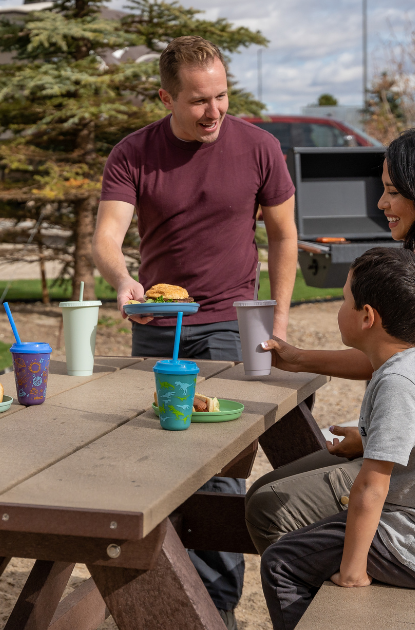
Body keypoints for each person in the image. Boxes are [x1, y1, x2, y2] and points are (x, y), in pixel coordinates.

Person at [92, 35, 298, 628]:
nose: (215, 112)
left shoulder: (259, 147)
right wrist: (123, 278)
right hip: (158, 329)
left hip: (232, 327)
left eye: (222, 96)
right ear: (166, 97)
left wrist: (278, 318)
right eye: (199, 101)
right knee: (157, 465)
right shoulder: (133, 153)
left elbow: (284, 236)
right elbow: (108, 237)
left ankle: (219, 612)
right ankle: (159, 598)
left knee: (222, 476)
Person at [246, 129, 415, 551]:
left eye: (393, 192)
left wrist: (382, 442)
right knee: (268, 488)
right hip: (397, 442)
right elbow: (392, 355)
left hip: (406, 463)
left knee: (270, 508)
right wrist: (299, 359)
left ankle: (348, 585)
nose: (380, 204)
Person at [259, 247, 415, 630]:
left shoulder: (397, 381)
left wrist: (352, 573)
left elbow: (371, 489)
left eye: (345, 300)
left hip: (406, 540)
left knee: (281, 562)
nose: (339, 308)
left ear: (367, 317)